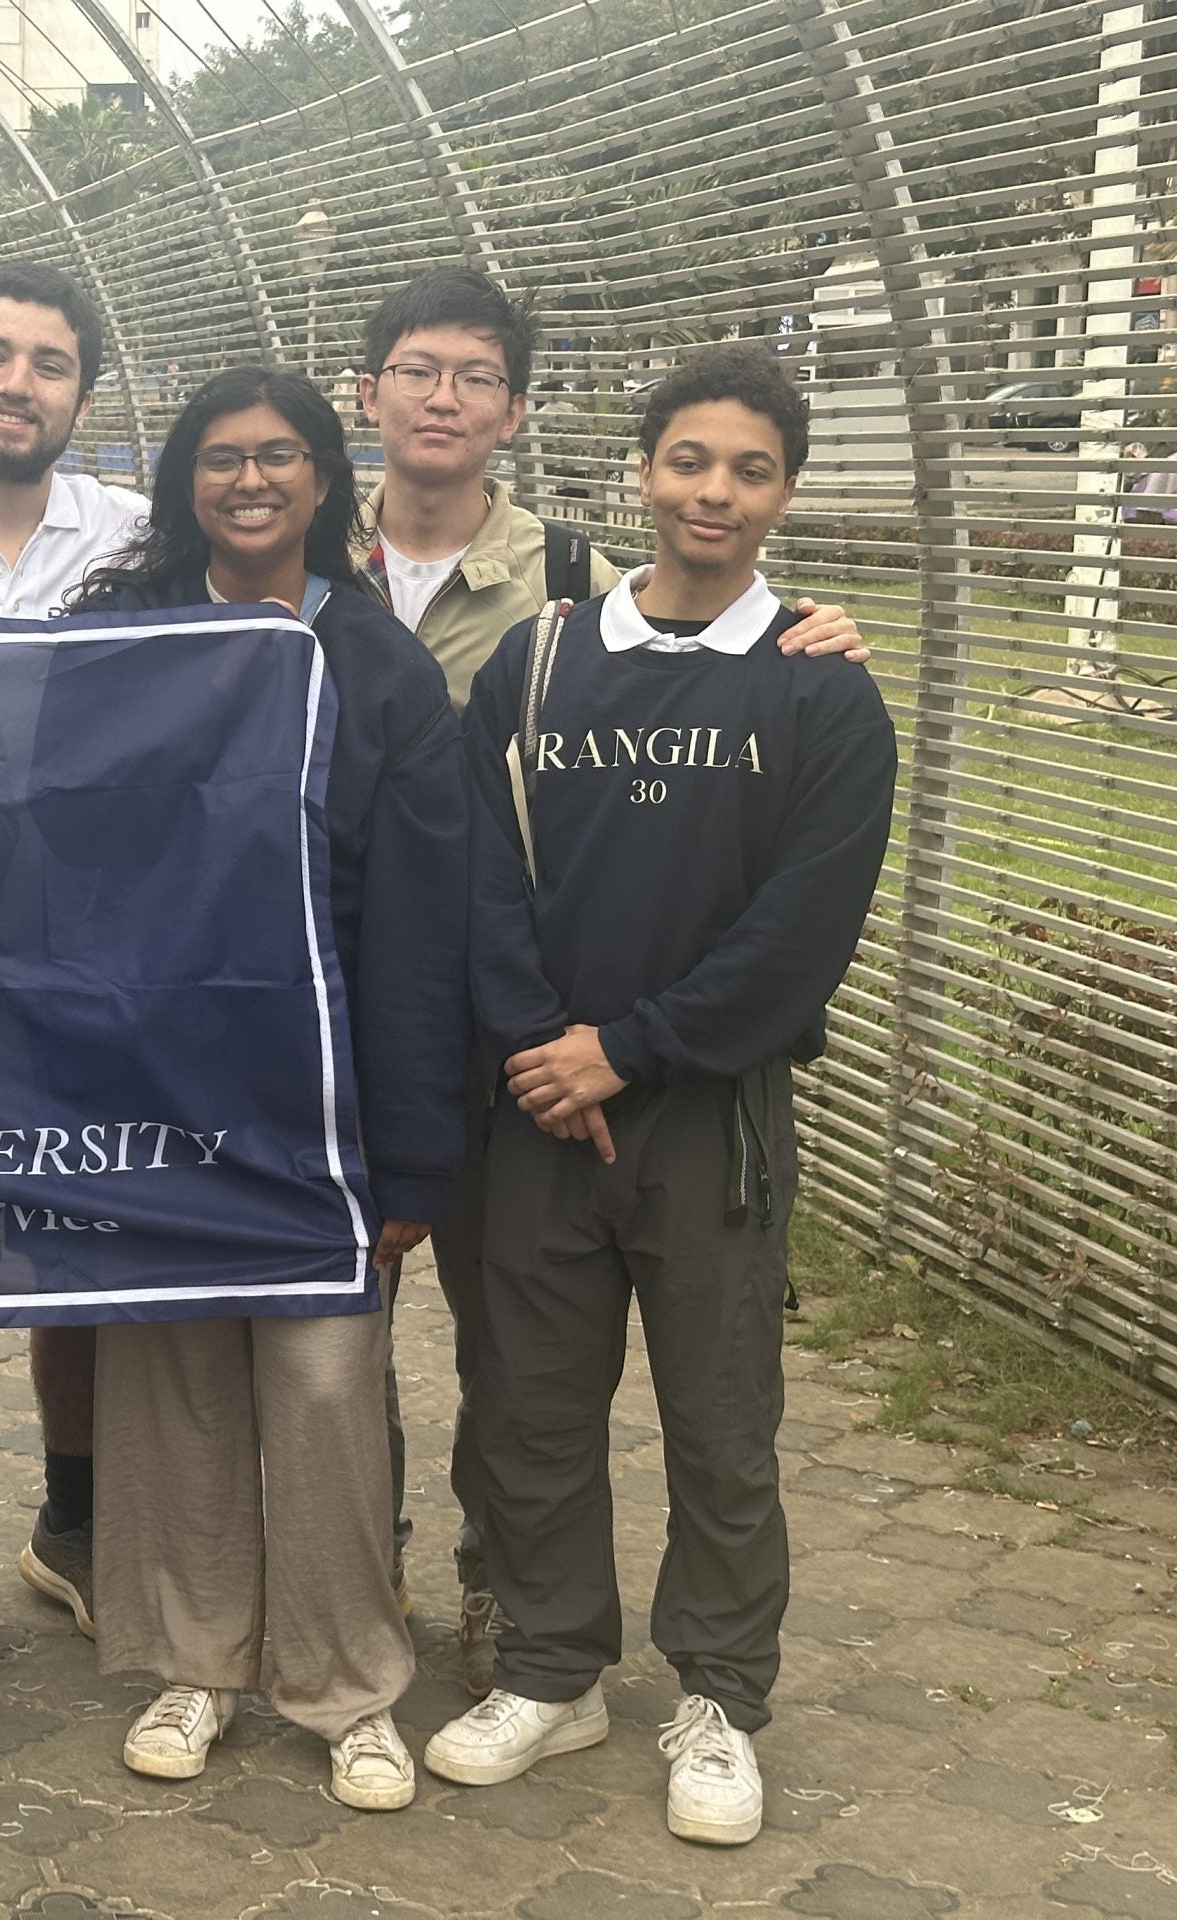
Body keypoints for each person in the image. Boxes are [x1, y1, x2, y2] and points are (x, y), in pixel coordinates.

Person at [349, 265, 870, 1687]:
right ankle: (539, 1661)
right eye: (690, 460)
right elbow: (492, 876)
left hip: (695, 1107)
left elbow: (800, 929)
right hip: (495, 1073)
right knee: (522, 1404)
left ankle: (720, 1690)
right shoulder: (515, 653)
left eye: (751, 470)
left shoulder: (818, 687)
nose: (715, 491)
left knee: (720, 1418)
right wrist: (540, 1041)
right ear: (645, 471)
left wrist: (619, 1051)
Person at [71, 365, 466, 1810]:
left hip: (327, 1113)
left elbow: (429, 921)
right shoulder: (119, 639)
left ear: (322, 482)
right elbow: (46, 841)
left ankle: (348, 1684)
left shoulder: (377, 665)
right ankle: (197, 1665)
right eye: (223, 457)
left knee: (321, 1396)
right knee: (173, 1388)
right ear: (185, 479)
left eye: (280, 457)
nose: (250, 479)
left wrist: (414, 1159)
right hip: (160, 1093)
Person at [0, 262, 152, 1680]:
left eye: (49, 363)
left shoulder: (137, 539)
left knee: (79, 1250)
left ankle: (75, 1519)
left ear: (80, 393)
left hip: (88, 958)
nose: (17, 382)